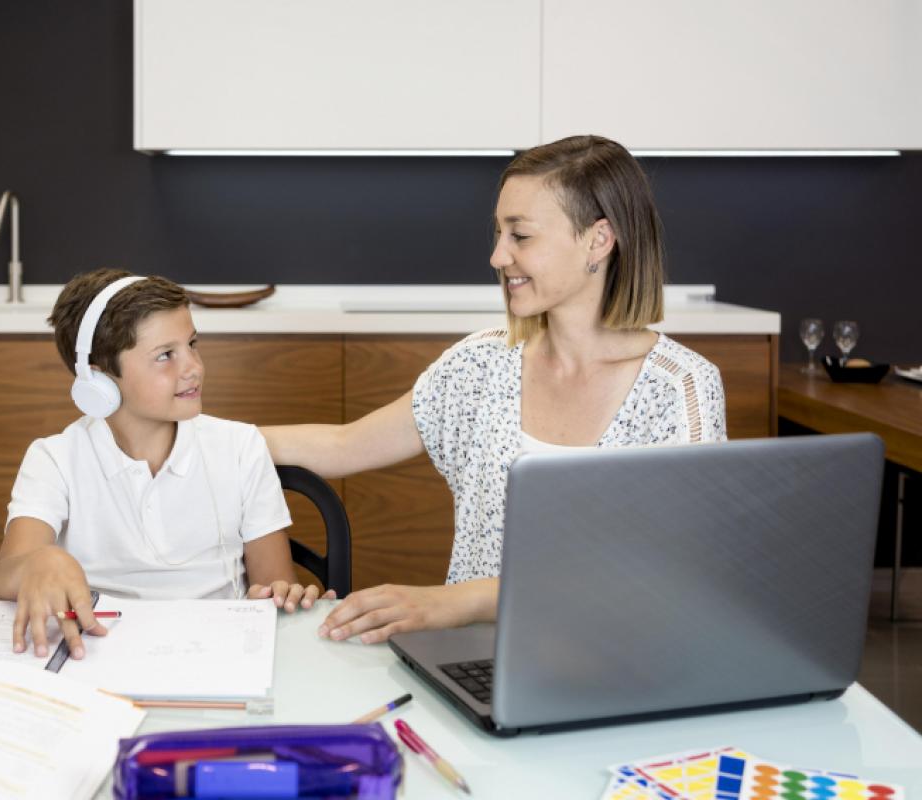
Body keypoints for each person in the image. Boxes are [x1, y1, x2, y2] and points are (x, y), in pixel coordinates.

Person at [260, 134, 727, 645]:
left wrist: (456, 601)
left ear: (599, 239)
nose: (497, 255)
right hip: (471, 663)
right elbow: (344, 445)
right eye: (499, 232)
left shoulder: (679, 389)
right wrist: (181, 435)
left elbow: (669, 581)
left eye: (520, 236)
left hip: (617, 666)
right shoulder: (480, 365)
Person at [0, 269, 331, 661]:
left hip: (217, 654)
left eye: (192, 344)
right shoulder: (55, 458)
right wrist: (38, 561)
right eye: (166, 355)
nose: (193, 367)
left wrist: (281, 595)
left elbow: (275, 585)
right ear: (98, 382)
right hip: (98, 654)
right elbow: (2, 577)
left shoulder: (239, 447)